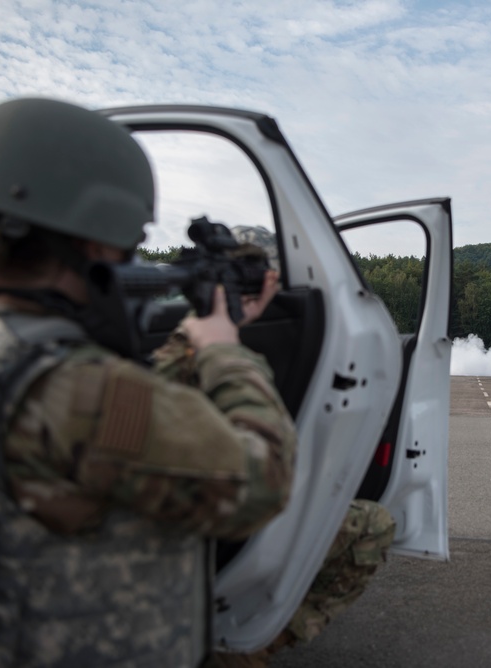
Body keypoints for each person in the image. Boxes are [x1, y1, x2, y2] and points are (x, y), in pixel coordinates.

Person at [0, 98, 296, 667]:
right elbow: (263, 479)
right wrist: (224, 351)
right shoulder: (71, 389)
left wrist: (193, 337)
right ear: (95, 237)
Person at [153, 225, 397, 668]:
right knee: (372, 523)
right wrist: (225, 347)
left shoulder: (183, 337)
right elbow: (263, 478)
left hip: (192, 509)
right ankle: (246, 647)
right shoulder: (238, 346)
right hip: (224, 510)